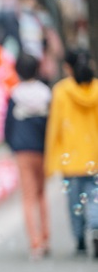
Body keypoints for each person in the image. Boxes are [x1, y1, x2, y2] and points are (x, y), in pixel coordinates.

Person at [44, 49, 98, 258]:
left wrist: (50, 160)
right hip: (95, 157)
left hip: (72, 159)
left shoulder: (61, 91)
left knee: (75, 203)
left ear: (68, 67)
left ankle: (80, 241)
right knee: (95, 199)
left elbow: (54, 127)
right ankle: (96, 228)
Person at [4, 53, 50, 259]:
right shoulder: (46, 93)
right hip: (42, 149)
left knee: (28, 197)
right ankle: (46, 238)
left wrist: (11, 145)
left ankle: (35, 243)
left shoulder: (15, 94)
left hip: (23, 151)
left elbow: (7, 126)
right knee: (41, 195)